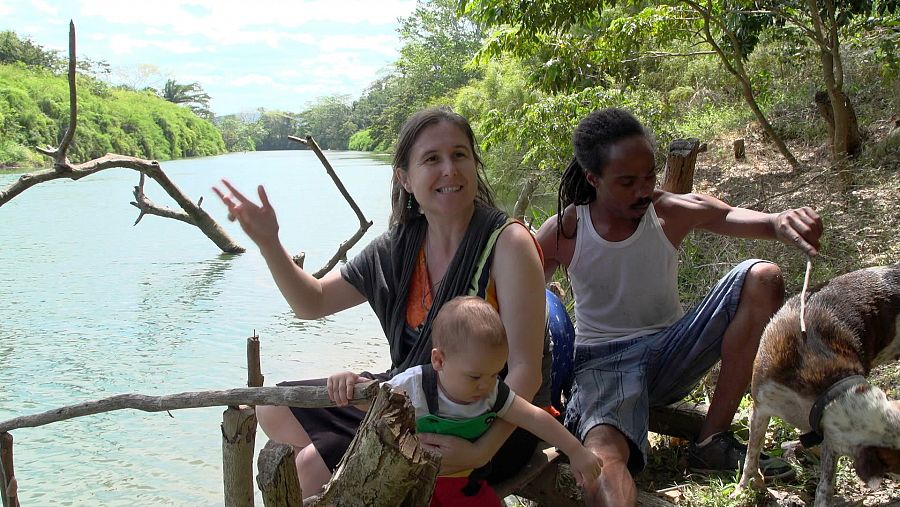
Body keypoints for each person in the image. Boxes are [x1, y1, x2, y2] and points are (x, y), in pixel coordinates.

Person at [213, 107, 549, 498]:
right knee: (274, 407)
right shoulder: (399, 246)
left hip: (487, 422)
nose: (449, 170)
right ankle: (351, 461)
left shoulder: (508, 244)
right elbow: (312, 302)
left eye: (460, 155)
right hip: (416, 403)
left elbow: (526, 373)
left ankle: (348, 465)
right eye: (431, 159)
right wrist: (269, 243)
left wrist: (479, 449)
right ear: (405, 178)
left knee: (310, 467)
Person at [535, 108, 823, 507]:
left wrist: (780, 221)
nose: (643, 190)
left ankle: (712, 440)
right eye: (627, 181)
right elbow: (519, 289)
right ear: (593, 178)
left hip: (672, 353)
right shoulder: (567, 230)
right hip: (602, 366)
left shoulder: (667, 211)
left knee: (762, 277)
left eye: (649, 176)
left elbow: (733, 216)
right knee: (604, 459)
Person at [329, 296, 602, 506]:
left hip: (464, 486)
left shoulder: (492, 392)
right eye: (474, 376)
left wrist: (576, 450)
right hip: (411, 486)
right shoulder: (415, 386)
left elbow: (534, 417)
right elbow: (372, 399)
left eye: (495, 373)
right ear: (439, 360)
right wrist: (348, 382)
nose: (485, 385)